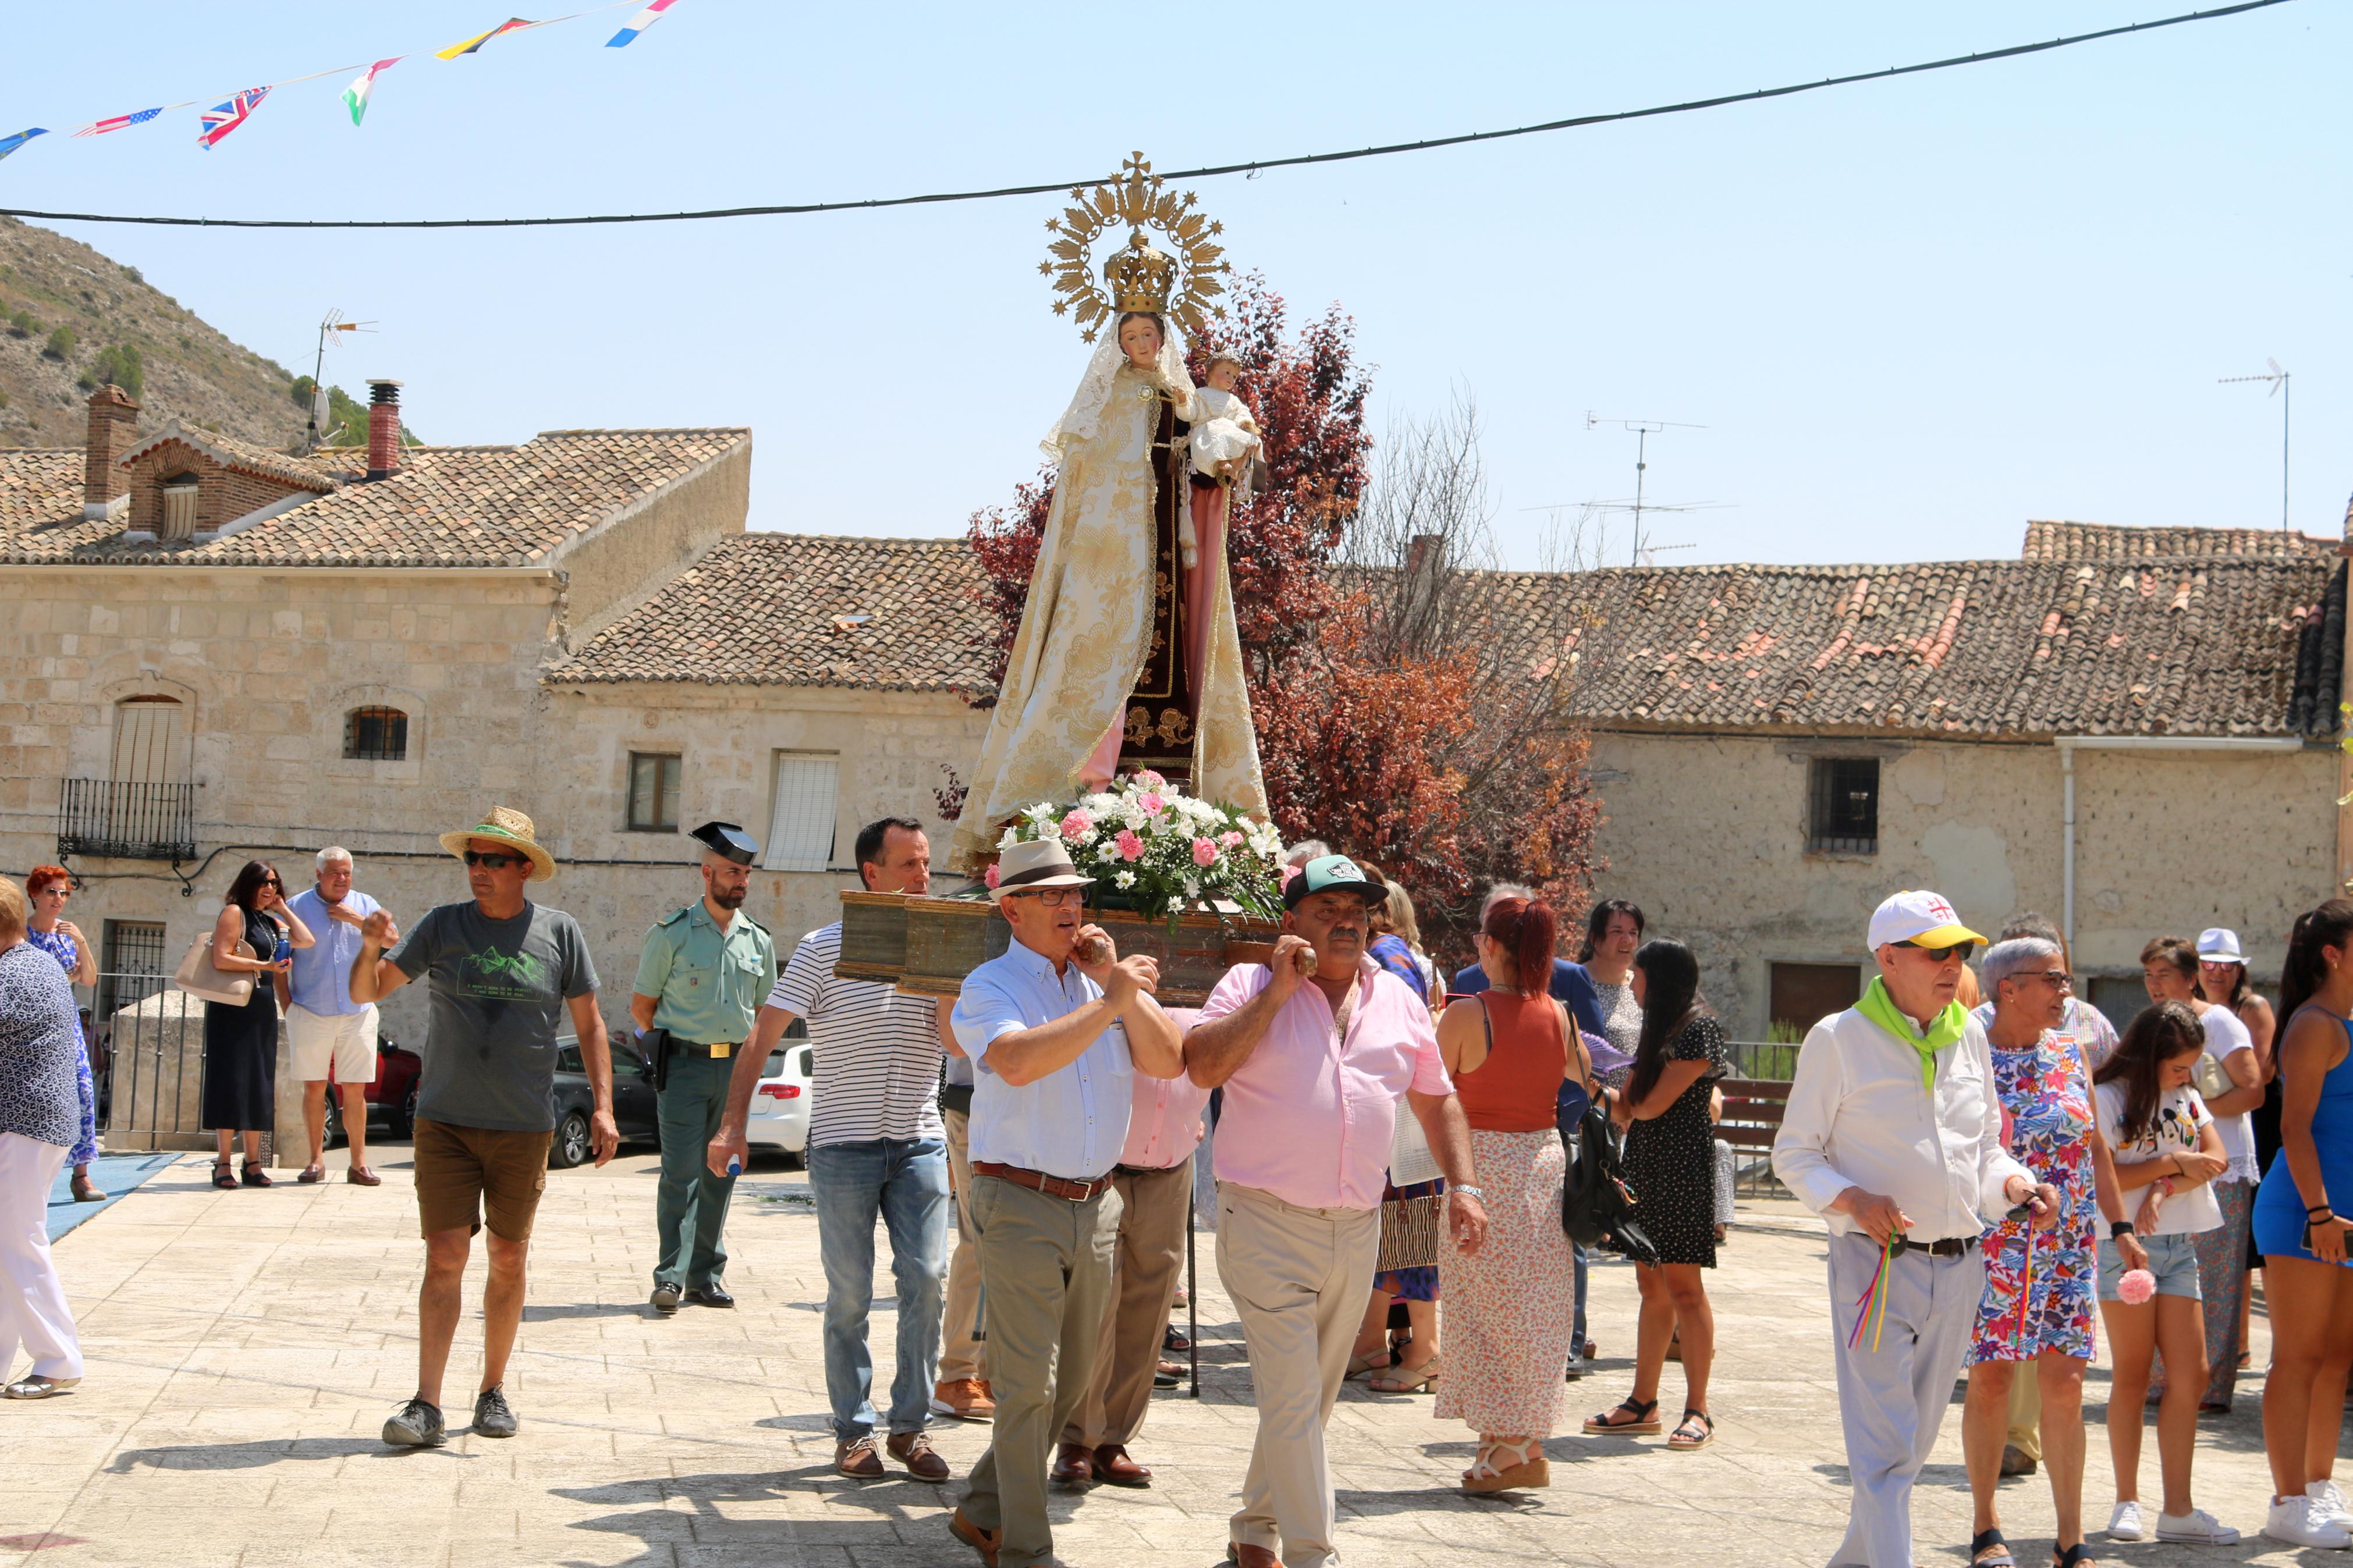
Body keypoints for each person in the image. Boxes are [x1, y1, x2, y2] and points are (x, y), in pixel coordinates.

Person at [1184, 853, 1488, 1568]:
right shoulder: (1248, 983)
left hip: (1356, 1229)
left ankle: (1253, 1532)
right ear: (1290, 920)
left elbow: (1436, 1095)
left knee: (1308, 1401)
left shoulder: (1399, 1000)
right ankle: (1312, 1553)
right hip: (1262, 1220)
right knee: (1295, 1401)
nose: (1347, 921)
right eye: (1328, 909)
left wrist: (1464, 1186)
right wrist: (1275, 994)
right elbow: (1200, 1065)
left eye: (1357, 910)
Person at [1773, 890, 2058, 1568]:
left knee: (1909, 1444)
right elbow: (1794, 1153)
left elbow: (1985, 1147)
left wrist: (2015, 1183)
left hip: (1961, 1266)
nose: (1951, 963)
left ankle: (1854, 1560)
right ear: (1887, 959)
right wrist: (1848, 1198)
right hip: (1874, 1265)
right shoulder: (1836, 1037)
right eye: (1934, 952)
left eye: (1957, 950)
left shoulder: (1969, 1034)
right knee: (1887, 1447)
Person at [946, 304, 1266, 872]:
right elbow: (1086, 488)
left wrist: (1219, 461)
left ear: (1163, 339)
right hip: (1113, 566)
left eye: (1149, 334)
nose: (1141, 343)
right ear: (1117, 344)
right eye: (1131, 335)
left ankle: (1171, 796)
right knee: (1097, 667)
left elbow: (1203, 467)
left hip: (1171, 551)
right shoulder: (1104, 401)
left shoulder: (1186, 398)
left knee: (1175, 664)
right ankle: (1077, 792)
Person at [941, 836, 1183, 1568]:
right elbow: (1014, 1061)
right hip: (1017, 1200)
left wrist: (1114, 986)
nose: (1070, 906)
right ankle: (1024, 1548)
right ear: (1010, 908)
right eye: (1051, 894)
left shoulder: (1094, 983)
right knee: (1028, 1387)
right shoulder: (988, 985)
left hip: (1096, 1206)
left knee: (1075, 1380)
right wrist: (1110, 999)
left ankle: (983, 1509)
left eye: (1075, 893)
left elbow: (1167, 1059)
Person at [350, 806, 616, 1448]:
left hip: (524, 1125)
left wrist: (603, 1105)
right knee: (445, 1254)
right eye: (472, 858)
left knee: (507, 1255)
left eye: (493, 859)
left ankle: (492, 1389)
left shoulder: (560, 932)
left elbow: (590, 1025)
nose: (479, 870)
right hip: (445, 1120)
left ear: (525, 868)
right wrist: (369, 944)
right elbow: (369, 990)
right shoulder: (442, 926)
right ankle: (426, 1403)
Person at [711, 816, 952, 1482]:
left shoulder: (937, 948)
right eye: (908, 864)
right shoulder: (822, 949)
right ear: (871, 874)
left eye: (926, 863)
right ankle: (853, 1431)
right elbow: (760, 1042)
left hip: (918, 1141)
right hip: (842, 1146)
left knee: (927, 1282)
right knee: (849, 1294)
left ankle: (912, 1427)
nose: (922, 876)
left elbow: (958, 1046)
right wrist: (732, 1125)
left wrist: (949, 979)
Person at [1961, 937, 2135, 1568]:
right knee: (1991, 1378)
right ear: (2009, 988)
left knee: (2065, 1384)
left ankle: (2070, 1537)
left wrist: (2119, 1226)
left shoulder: (2068, 1049)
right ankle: (1985, 1526)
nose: (2067, 991)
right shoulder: (1968, 1050)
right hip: (1995, 1244)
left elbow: (2093, 1149)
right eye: (2054, 979)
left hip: (2066, 1248)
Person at [1434, 893, 1586, 1491]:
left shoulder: (1468, 1013)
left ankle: (1515, 1446)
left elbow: (1426, 1088)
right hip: (1542, 1163)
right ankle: (1507, 1443)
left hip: (1483, 1164)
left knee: (1482, 1311)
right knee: (1532, 1310)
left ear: (1492, 946)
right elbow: (1585, 1076)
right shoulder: (1560, 1013)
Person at [2089, 1001, 2239, 1546]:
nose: (2187, 1077)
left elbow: (2215, 1158)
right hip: (2121, 1246)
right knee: (2130, 1373)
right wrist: (2176, 1164)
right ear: (2151, 1055)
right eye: (2178, 1067)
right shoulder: (2106, 1098)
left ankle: (2178, 1509)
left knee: (2191, 1373)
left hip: (2178, 1246)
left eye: (2191, 1067)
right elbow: (2108, 1175)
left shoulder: (2188, 1096)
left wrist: (2160, 1184)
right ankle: (2126, 1501)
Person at [1585, 939, 1727, 1452]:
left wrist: (1586, 1077)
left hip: (1683, 1172)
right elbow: (1628, 1111)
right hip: (1647, 1167)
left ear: (1658, 979)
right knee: (1651, 1287)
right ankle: (1643, 1402)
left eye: (1637, 975)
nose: (1631, 984)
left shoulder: (1698, 1028)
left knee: (1685, 1289)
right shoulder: (1662, 1028)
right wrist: (1586, 1078)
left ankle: (1698, 1409)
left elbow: (1643, 1108)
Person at [1058, 1022, 1211, 1487]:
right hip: (1101, 1168)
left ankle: (1113, 1439)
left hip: (1170, 1166)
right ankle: (1076, 1438)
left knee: (1149, 1309)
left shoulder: (1209, 990)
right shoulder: (1107, 978)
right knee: (1095, 1307)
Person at [634, 823, 776, 1314]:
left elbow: (763, 1018)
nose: (741, 881)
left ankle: (704, 1277)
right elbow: (642, 1006)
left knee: (722, 1172)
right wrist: (679, 1044)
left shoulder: (758, 941)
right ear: (707, 872)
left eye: (747, 873)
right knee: (680, 1175)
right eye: (733, 871)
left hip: (734, 1070)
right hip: (685, 1068)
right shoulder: (670, 934)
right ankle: (669, 1278)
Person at [2251, 899, 2353, 1548]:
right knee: (2295, 1357)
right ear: (2332, 954)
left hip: (2340, 1213)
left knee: (2335, 1358)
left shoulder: (2344, 1019)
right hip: (2303, 1209)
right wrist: (2318, 1211)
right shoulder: (2312, 1024)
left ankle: (2317, 1487)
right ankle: (2286, 1501)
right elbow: (2293, 1128)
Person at [2140, 934, 2261, 1412]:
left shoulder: (2221, 1022)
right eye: (2148, 975)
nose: (2153, 985)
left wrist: (2193, 1111)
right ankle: (2159, 1380)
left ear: (2190, 978)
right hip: (2165, 1166)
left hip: (2219, 1165)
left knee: (2215, 1281)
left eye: (2163, 974)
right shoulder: (2155, 1025)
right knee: (2162, 1274)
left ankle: (2209, 1388)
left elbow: (2253, 1090)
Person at [0, 877, 86, 1400]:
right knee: (8, 1243)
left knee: (20, 1242)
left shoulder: (12, 973)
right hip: (41, 1122)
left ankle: (57, 1359)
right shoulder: (37, 962)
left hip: (23, 1123)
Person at [2196, 927, 2277, 1378]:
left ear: (2239, 967)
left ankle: (2235, 1352)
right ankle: (2231, 1350)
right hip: (2215, 1125)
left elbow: (2259, 1073)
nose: (2217, 971)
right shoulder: (2196, 1010)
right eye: (2208, 963)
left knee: (2243, 1254)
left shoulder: (2252, 1007)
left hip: (2254, 1128)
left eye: (2226, 964)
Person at [203, 860, 312, 1190]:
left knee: (257, 1083)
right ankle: (223, 1162)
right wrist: (263, 964)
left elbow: (306, 940)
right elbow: (220, 957)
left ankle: (253, 1162)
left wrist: (283, 909)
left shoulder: (271, 921)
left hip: (261, 1007)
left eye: (275, 883)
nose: (270, 888)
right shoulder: (233, 913)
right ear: (248, 883)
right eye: (264, 882)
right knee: (229, 1081)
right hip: (232, 1007)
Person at [283, 848, 384, 1186]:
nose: (342, 879)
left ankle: (359, 1164)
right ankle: (315, 1161)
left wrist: (354, 919)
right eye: (334, 873)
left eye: (347, 873)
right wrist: (288, 1007)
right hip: (311, 1010)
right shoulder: (296, 907)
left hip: (357, 1012)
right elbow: (281, 959)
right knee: (314, 1087)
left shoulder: (365, 904)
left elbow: (394, 940)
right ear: (319, 874)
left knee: (355, 1090)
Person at [22, 867, 100, 1203]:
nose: (59, 899)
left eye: (64, 893)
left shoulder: (68, 934)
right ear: (35, 895)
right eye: (52, 892)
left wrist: (81, 941)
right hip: (30, 1022)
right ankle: (29, 1173)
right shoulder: (20, 933)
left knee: (81, 1090)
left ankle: (81, 1176)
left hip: (65, 1022)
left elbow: (90, 979)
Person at [932, 1029, 993, 1423]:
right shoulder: (973, 966)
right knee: (980, 1242)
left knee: (1020, 1247)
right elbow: (955, 1040)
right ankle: (958, 1373)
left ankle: (995, 1372)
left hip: (1042, 1107)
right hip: (977, 1103)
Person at [1453, 882, 1606, 1038]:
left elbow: (1595, 1051)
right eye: (1495, 921)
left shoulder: (1570, 978)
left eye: (1512, 921)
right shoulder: (1465, 980)